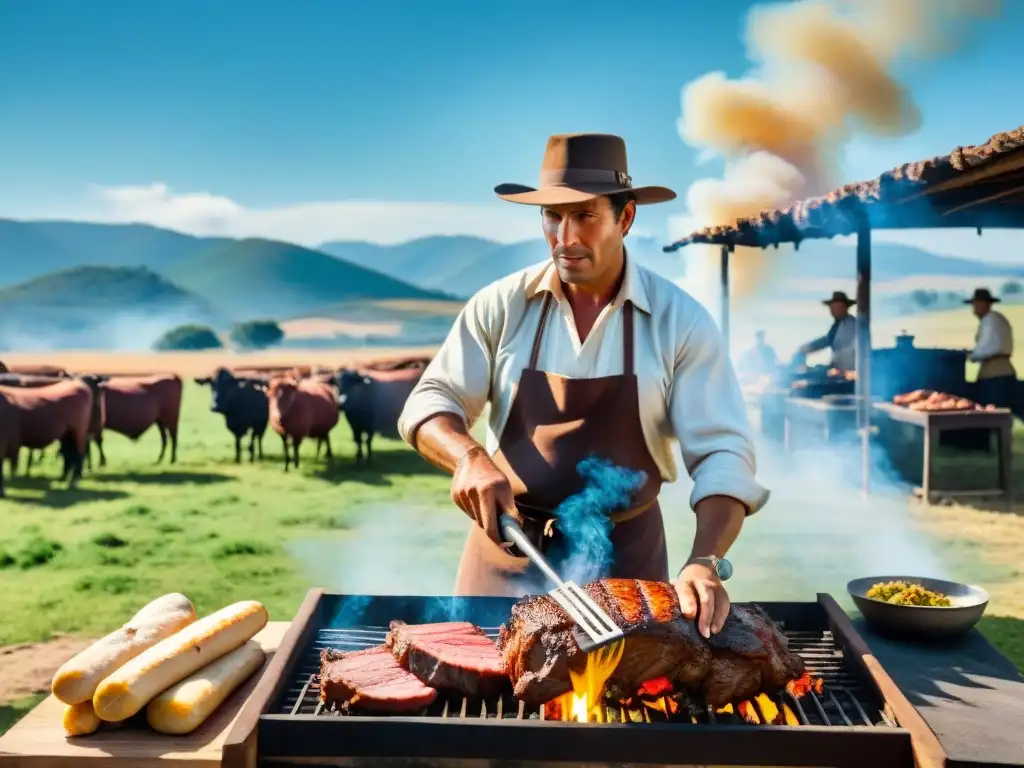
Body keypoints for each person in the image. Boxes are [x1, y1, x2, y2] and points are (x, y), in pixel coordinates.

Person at [397, 133, 768, 638]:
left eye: (585, 216)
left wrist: (705, 560)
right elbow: (432, 399)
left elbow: (723, 451)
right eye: (553, 216)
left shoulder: (680, 320)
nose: (564, 237)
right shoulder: (500, 305)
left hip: (627, 571)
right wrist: (467, 456)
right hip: (507, 553)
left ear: (627, 218)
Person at [966, 287, 1017, 410]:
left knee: (994, 412)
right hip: (1001, 372)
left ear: (983, 304)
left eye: (976, 304)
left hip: (995, 375)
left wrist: (969, 356)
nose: (974, 308)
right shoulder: (996, 319)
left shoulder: (990, 320)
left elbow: (987, 347)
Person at [799, 291, 857, 371]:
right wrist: (809, 347)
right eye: (831, 307)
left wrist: (826, 368)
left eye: (836, 307)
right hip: (841, 369)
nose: (832, 310)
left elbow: (846, 351)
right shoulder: (837, 325)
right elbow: (827, 340)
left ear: (844, 307)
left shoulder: (850, 324)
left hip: (849, 371)